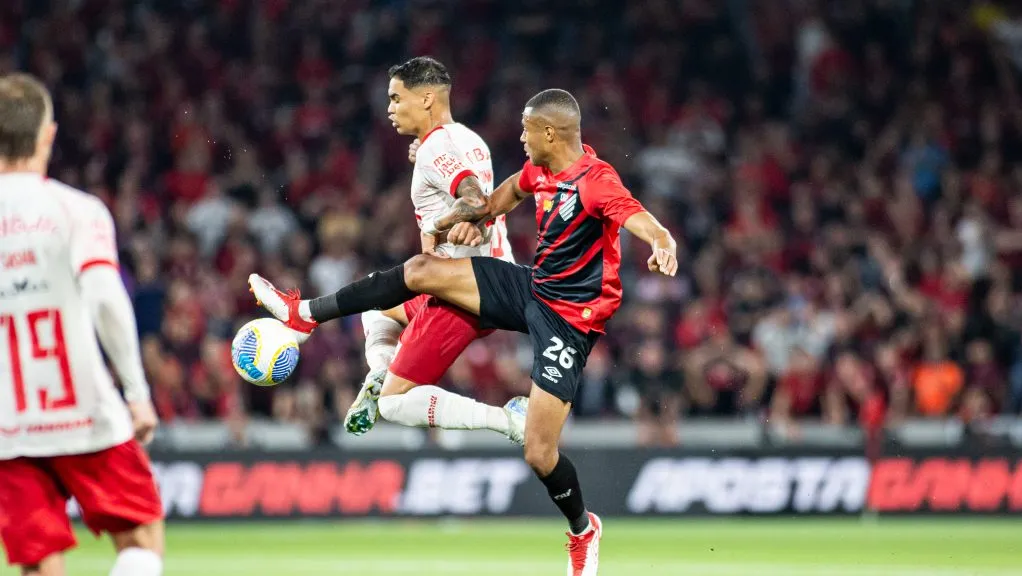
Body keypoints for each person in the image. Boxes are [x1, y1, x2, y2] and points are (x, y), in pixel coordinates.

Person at [250, 88, 678, 576]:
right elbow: (500, 200)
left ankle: (583, 529)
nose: (519, 136)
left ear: (549, 133)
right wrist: (460, 221)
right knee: (418, 270)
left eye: (525, 129)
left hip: (570, 321)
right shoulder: (541, 171)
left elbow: (641, 219)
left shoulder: (597, 181)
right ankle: (306, 313)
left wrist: (662, 244)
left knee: (539, 454)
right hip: (531, 288)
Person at [0, 74, 164, 576]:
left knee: (40, 565)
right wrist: (136, 391)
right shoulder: (77, 211)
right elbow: (106, 299)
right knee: (141, 536)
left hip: (8, 423)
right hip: (84, 410)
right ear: (48, 134)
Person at [337, 56, 527, 442]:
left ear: (425, 99)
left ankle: (509, 420)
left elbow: (471, 196)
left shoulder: (434, 148)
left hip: (462, 292)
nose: (389, 108)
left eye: (395, 98)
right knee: (374, 307)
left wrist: (454, 226)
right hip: (478, 277)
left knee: (393, 405)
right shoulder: (467, 139)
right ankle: (379, 371)